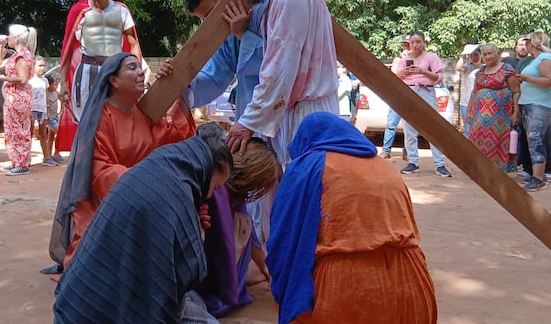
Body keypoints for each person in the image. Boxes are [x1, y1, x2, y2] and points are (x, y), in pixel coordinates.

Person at [53, 124, 240, 324]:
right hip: (92, 315)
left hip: (74, 301)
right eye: (215, 186)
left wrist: (189, 223)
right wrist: (195, 235)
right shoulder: (175, 195)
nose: (210, 194)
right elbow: (177, 278)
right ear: (207, 169)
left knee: (195, 301)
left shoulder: (163, 163)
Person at [266, 112, 437, 324]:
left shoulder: (308, 166)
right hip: (413, 284)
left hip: (349, 289)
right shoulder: (386, 167)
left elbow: (283, 240)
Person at [47, 52, 196, 275]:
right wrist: (143, 182)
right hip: (107, 205)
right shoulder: (99, 118)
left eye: (140, 68)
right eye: (132, 68)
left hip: (143, 196)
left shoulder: (142, 113)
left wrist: (177, 86)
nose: (140, 73)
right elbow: (99, 171)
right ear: (113, 80)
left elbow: (171, 136)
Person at [219, 0, 339, 164]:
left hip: (310, 115)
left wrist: (247, 123)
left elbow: (278, 68)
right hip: (296, 112)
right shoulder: (278, 0)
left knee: (309, 190)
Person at [179, 0, 269, 242]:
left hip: (280, 111)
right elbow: (218, 75)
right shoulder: (224, 28)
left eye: (207, 17)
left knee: (278, 182)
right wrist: (182, 84)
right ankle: (256, 257)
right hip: (247, 113)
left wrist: (243, 34)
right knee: (250, 185)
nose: (208, 25)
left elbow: (278, 62)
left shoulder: (266, 7)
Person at [56, 0, 142, 152]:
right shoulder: (80, 10)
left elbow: (133, 43)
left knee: (117, 115)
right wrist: (64, 83)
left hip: (115, 72)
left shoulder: (121, 10)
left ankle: (113, 160)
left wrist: (137, 70)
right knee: (87, 121)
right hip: (87, 71)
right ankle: (87, 163)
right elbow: (68, 48)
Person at [196, 135, 282, 317]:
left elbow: (253, 241)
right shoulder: (218, 192)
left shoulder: (234, 194)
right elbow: (223, 245)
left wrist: (266, 269)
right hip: (212, 292)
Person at [396, 31, 452, 178]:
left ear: (424, 43)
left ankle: (440, 164)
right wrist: (404, 71)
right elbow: (395, 77)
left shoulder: (431, 57)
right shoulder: (404, 59)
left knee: (433, 128)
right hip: (408, 92)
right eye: (412, 42)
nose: (415, 45)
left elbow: (438, 77)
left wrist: (422, 71)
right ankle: (413, 162)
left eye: (418, 42)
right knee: (409, 130)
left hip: (426, 91)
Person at [516, 31, 551, 192]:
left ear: (532, 43)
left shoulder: (545, 59)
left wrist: (526, 79)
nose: (524, 45)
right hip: (531, 103)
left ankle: (539, 178)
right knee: (532, 140)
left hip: (539, 105)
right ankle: (537, 176)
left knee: (535, 140)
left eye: (527, 42)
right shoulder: (537, 59)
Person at [467, 44, 520, 172]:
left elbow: (516, 92)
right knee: (476, 138)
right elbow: (474, 92)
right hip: (479, 116)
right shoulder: (480, 71)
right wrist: (469, 110)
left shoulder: (507, 70)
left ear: (498, 53)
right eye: (484, 54)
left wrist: (516, 113)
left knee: (498, 140)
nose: (487, 57)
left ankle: (497, 169)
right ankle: (478, 167)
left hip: (500, 116)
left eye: (490, 53)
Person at [0, 24, 36, 176]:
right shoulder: (16, 55)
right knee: (12, 130)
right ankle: (16, 161)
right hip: (13, 98)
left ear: (16, 38)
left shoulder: (22, 56)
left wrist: (1, 78)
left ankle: (22, 164)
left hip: (19, 98)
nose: (7, 37)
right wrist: (1, 47)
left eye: (9, 36)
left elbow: (22, 78)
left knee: (19, 131)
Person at [380, 34, 411, 160]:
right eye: (404, 44)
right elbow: (393, 77)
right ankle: (386, 151)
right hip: (397, 97)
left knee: (409, 128)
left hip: (410, 96)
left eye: (407, 44)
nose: (405, 47)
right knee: (391, 124)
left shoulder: (416, 60)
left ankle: (407, 152)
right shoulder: (397, 60)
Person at [30, 56, 54, 166]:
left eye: (43, 66)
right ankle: (26, 157)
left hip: (42, 110)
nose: (42, 68)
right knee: (28, 134)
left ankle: (47, 157)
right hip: (31, 110)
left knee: (43, 134)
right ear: (33, 66)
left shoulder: (44, 80)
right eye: (39, 65)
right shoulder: (28, 80)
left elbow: (46, 96)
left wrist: (48, 110)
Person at [456, 44, 482, 137]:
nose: (473, 57)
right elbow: (458, 68)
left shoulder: (485, 68)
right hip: (466, 103)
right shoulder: (467, 67)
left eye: (476, 54)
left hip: (481, 103)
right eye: (471, 55)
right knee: (468, 130)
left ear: (480, 54)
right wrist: (463, 55)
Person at [45, 73, 62, 164]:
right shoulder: (46, 93)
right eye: (55, 84)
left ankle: (52, 154)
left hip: (56, 116)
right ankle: (55, 153)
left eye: (58, 84)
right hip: (50, 118)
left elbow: (61, 97)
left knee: (51, 137)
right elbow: (46, 104)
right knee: (59, 133)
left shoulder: (55, 92)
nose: (56, 86)